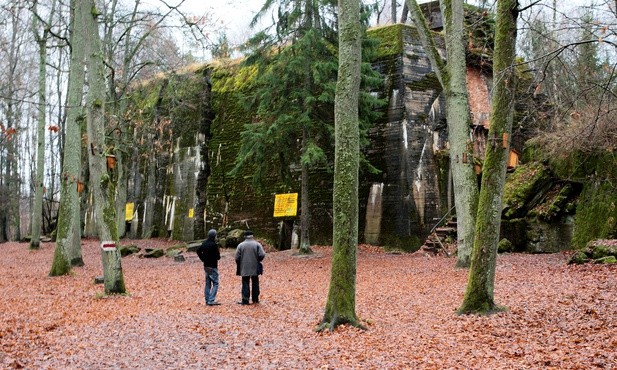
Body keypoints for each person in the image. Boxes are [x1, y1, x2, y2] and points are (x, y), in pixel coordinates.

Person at [235, 230, 265, 305]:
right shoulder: (257, 244)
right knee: (255, 282)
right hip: (255, 266)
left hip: (244, 266)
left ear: (245, 236)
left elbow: (237, 257)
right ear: (252, 236)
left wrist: (240, 263)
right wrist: (258, 260)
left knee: (245, 282)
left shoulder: (240, 245)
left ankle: (245, 299)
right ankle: (255, 299)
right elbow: (262, 254)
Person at [196, 229, 221, 306]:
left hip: (206, 266)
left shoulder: (204, 243)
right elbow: (218, 257)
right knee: (215, 283)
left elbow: (198, 250)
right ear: (214, 236)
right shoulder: (214, 245)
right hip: (213, 266)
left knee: (208, 283)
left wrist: (202, 258)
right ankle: (211, 300)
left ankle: (207, 300)